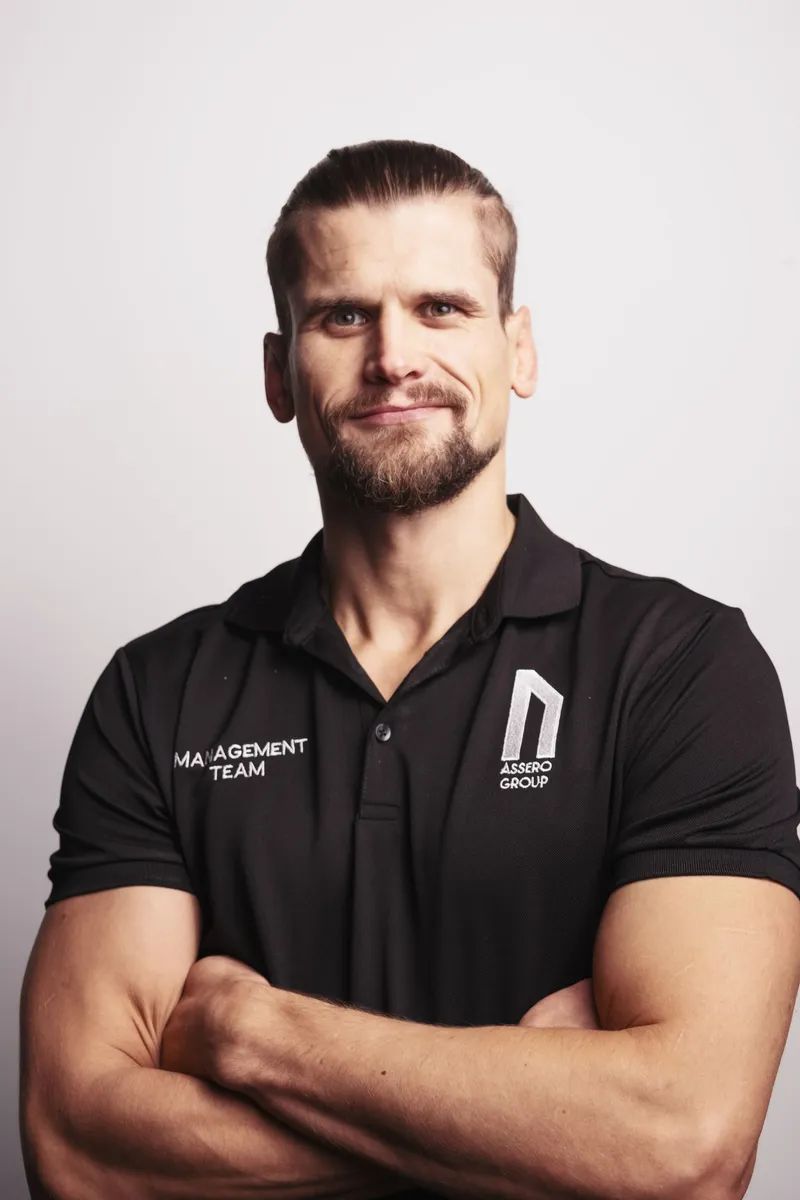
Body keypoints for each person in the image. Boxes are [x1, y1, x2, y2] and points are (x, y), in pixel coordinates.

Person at [20, 138, 800, 1200]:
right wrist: (531, 1121)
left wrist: (257, 1037)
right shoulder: (157, 693)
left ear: (516, 349)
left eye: (441, 308)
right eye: (343, 315)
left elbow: (681, 1145)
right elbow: (78, 1147)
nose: (393, 357)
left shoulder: (679, 668)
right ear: (277, 373)